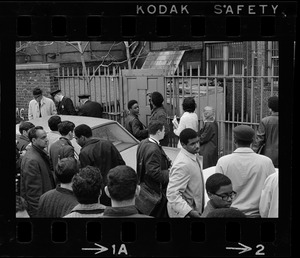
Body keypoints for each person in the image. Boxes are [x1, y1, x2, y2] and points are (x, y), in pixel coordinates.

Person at [215, 125, 276, 218]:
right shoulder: (266, 162)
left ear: (234, 140)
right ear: (252, 141)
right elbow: (272, 189)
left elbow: (217, 189)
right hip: (257, 214)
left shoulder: (223, 161)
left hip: (230, 214)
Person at [74, 124, 125, 206]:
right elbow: (121, 163)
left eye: (76, 138)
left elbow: (87, 177)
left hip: (99, 193)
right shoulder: (108, 144)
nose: (76, 141)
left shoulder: (84, 153)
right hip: (116, 186)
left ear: (82, 137)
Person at [136, 120, 172, 217]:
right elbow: (154, 173)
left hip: (145, 185)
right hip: (154, 191)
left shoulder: (143, 142)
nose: (165, 132)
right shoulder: (154, 149)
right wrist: (170, 173)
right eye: (163, 130)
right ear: (159, 132)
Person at [167, 128, 205, 218]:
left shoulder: (192, 155)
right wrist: (189, 212)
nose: (197, 146)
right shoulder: (182, 164)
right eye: (192, 144)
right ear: (183, 145)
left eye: (197, 142)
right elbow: (172, 194)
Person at [20, 126, 55, 217]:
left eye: (46, 136)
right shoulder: (32, 160)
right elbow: (33, 194)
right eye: (43, 138)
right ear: (34, 140)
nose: (47, 140)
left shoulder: (39, 154)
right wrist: (38, 214)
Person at [252, 96, 279, 168]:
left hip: (269, 156)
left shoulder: (265, 121)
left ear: (270, 108)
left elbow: (259, 140)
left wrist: (253, 153)